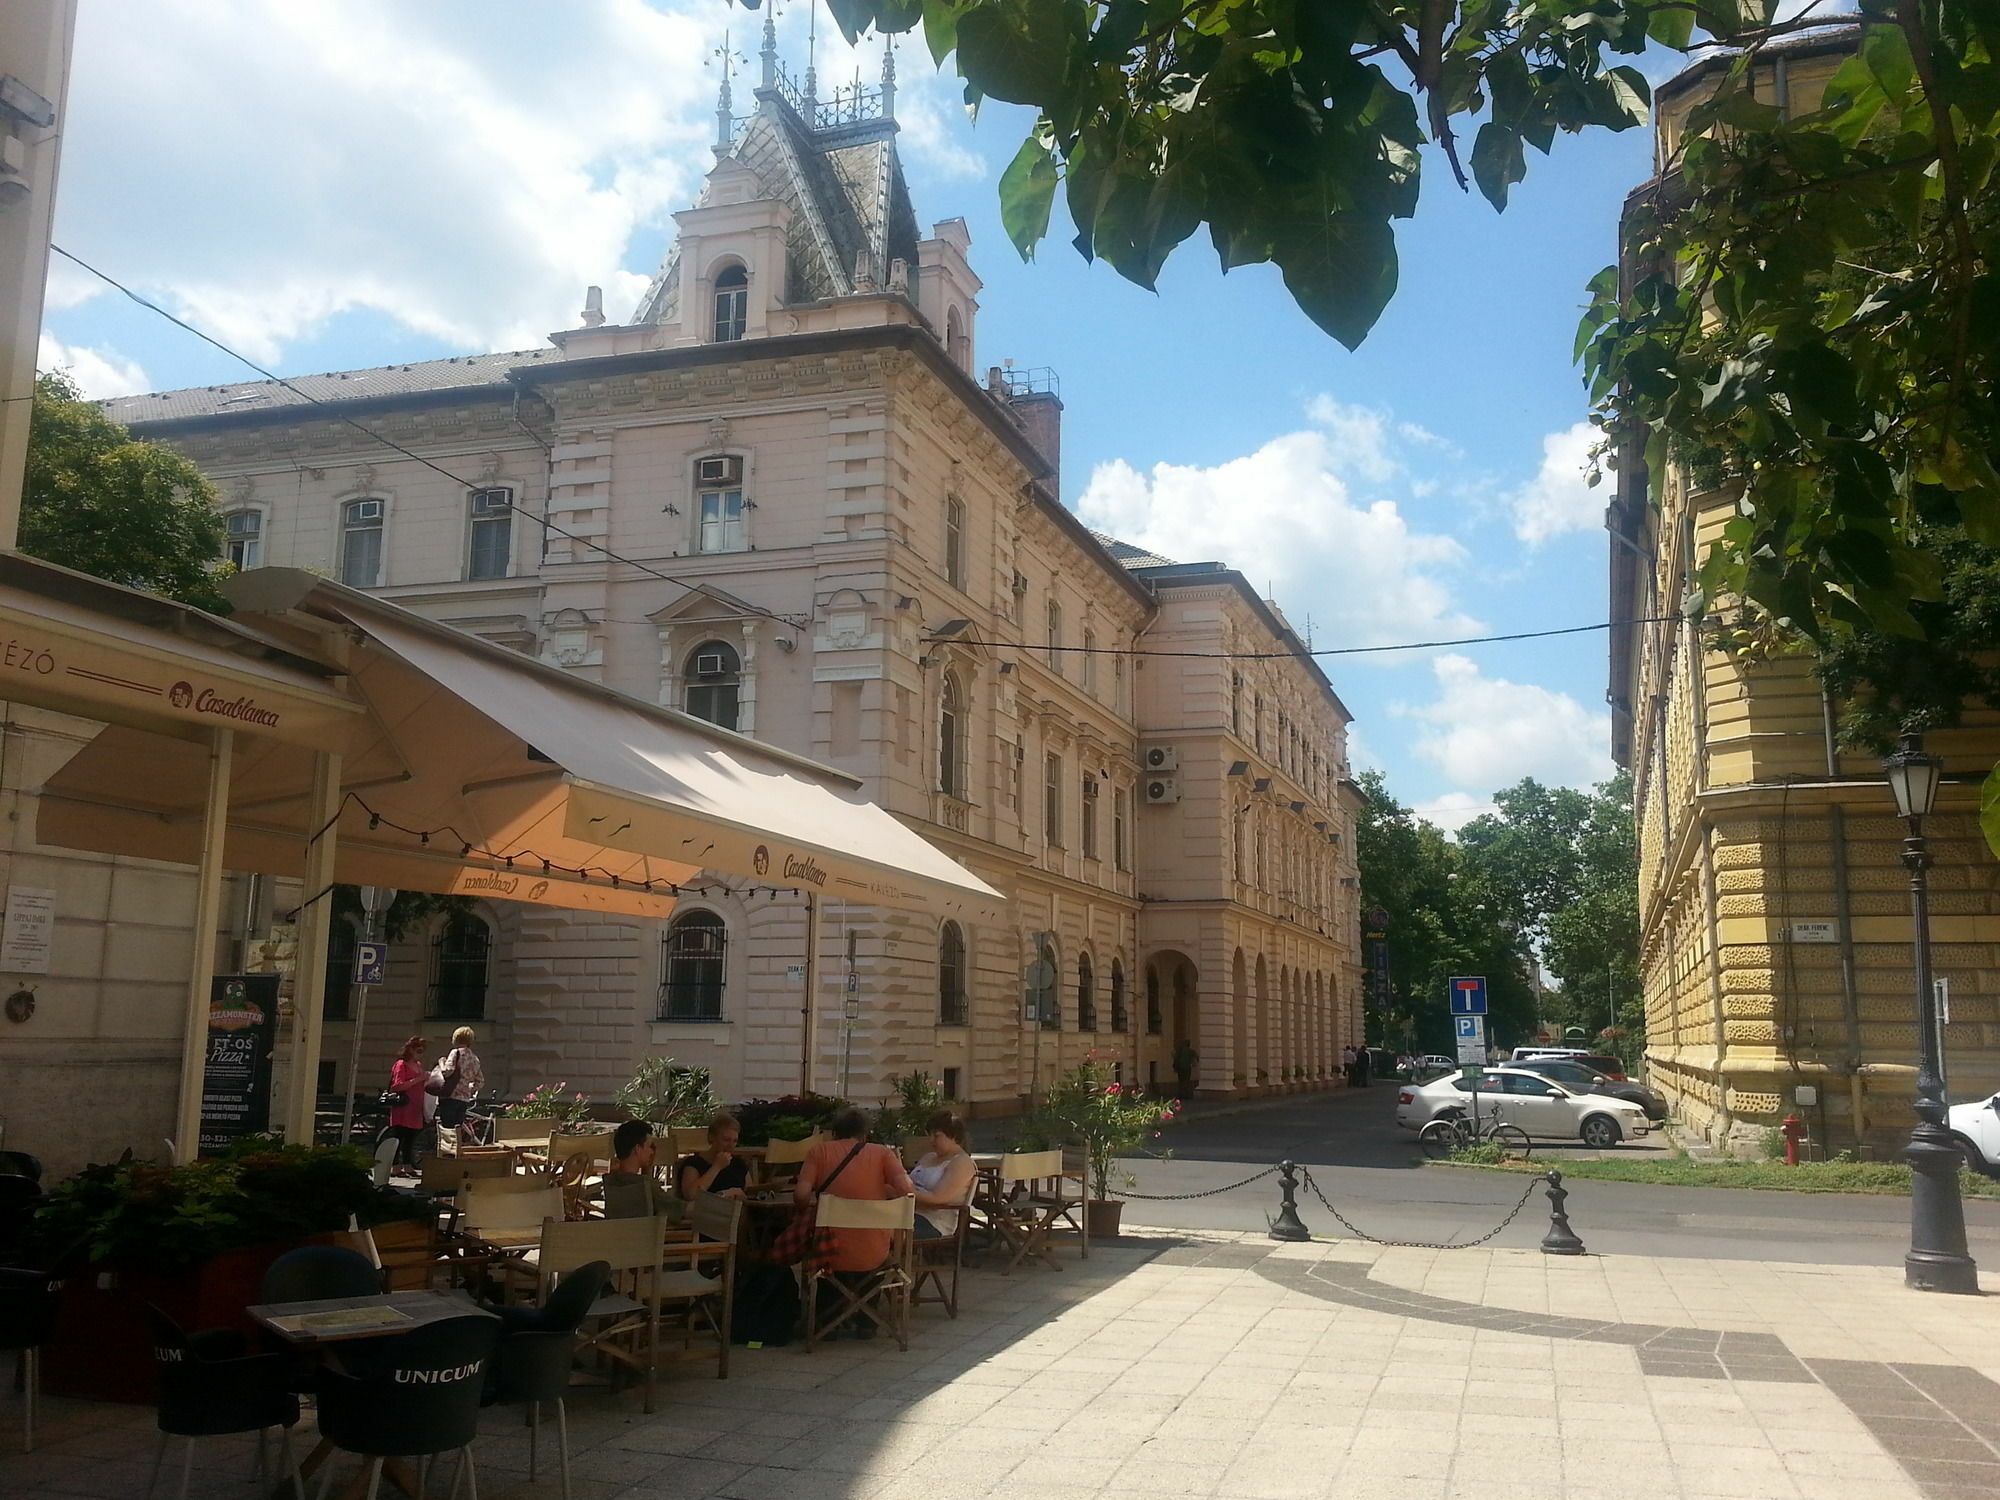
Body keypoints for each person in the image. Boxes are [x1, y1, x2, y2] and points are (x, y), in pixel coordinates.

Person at [794, 1107, 913, 1337]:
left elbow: (801, 1195)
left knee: (825, 1251)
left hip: (828, 1251)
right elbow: (908, 1191)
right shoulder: (882, 1154)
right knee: (874, 1252)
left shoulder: (819, 1152)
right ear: (865, 1134)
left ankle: (827, 1322)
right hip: (873, 1252)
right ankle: (867, 1322)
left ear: (835, 1133)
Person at [907, 1110, 977, 1241]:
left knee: (878, 1229)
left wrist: (906, 1192)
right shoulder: (928, 1157)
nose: (931, 1140)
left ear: (954, 1136)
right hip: (908, 1213)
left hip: (933, 1221)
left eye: (936, 1135)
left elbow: (939, 1198)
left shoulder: (961, 1162)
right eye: (930, 1135)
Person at [601, 1119, 682, 1221]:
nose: (652, 1152)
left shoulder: (611, 1182)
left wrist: (647, 1170)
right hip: (650, 1236)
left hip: (619, 1235)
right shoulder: (648, 1186)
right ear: (637, 1149)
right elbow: (680, 1210)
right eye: (650, 1146)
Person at [679, 1112, 751, 1201]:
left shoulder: (739, 1164)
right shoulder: (694, 1163)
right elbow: (691, 1195)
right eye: (726, 1140)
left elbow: (751, 1193)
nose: (731, 1145)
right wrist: (716, 1167)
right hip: (707, 1212)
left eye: (735, 1141)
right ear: (711, 1138)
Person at [383, 1037, 430, 1168]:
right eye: (418, 1050)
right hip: (403, 1106)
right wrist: (419, 1079)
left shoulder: (418, 1065)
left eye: (422, 1051)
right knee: (399, 1137)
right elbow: (397, 1086)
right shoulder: (401, 1064)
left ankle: (407, 1165)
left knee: (411, 1138)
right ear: (410, 1049)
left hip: (415, 1107)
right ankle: (395, 1166)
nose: (420, 1054)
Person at [432, 1026, 485, 1139]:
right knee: (457, 1130)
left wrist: (441, 1062)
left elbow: (448, 1072)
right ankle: (456, 1153)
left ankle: (446, 1154)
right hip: (464, 1100)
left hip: (450, 1096)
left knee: (447, 1130)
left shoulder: (455, 1053)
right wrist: (469, 1089)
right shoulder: (475, 1059)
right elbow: (480, 1081)